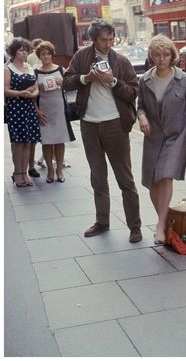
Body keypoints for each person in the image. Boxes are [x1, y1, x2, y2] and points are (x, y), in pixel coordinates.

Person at [63, 19, 142, 243]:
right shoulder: (81, 57)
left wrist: (113, 81)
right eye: (103, 40)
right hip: (89, 124)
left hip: (115, 125)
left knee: (125, 179)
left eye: (111, 39)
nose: (108, 44)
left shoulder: (122, 61)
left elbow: (132, 93)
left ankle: (134, 226)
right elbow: (66, 82)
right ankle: (102, 221)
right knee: (98, 177)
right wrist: (85, 78)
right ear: (93, 40)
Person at [137, 34, 186, 245]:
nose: (161, 59)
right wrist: (141, 117)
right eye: (157, 55)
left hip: (175, 136)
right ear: (151, 56)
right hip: (153, 136)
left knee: (166, 176)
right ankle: (164, 222)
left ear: (172, 56)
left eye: (166, 54)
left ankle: (160, 225)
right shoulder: (144, 80)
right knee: (152, 183)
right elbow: (140, 106)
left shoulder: (183, 79)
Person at [34, 41, 75, 183]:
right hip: (44, 112)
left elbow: (71, 86)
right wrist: (37, 111)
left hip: (59, 111)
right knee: (46, 142)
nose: (46, 56)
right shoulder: (36, 72)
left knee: (59, 141)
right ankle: (50, 171)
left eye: (48, 53)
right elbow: (34, 95)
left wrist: (63, 82)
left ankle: (59, 170)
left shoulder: (61, 70)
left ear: (52, 55)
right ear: (39, 56)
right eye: (43, 54)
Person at [4, 37, 41, 187]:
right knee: (18, 142)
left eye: (25, 49)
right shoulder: (8, 69)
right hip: (15, 108)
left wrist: (33, 94)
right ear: (13, 52)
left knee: (28, 142)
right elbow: (5, 90)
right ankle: (17, 173)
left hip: (29, 107)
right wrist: (21, 93)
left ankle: (24, 174)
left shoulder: (30, 68)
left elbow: (37, 87)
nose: (24, 52)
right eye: (20, 50)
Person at [26, 38, 43, 178]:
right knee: (29, 139)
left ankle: (30, 165)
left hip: (38, 101)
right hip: (31, 103)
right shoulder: (32, 65)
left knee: (33, 138)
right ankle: (26, 167)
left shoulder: (31, 66)